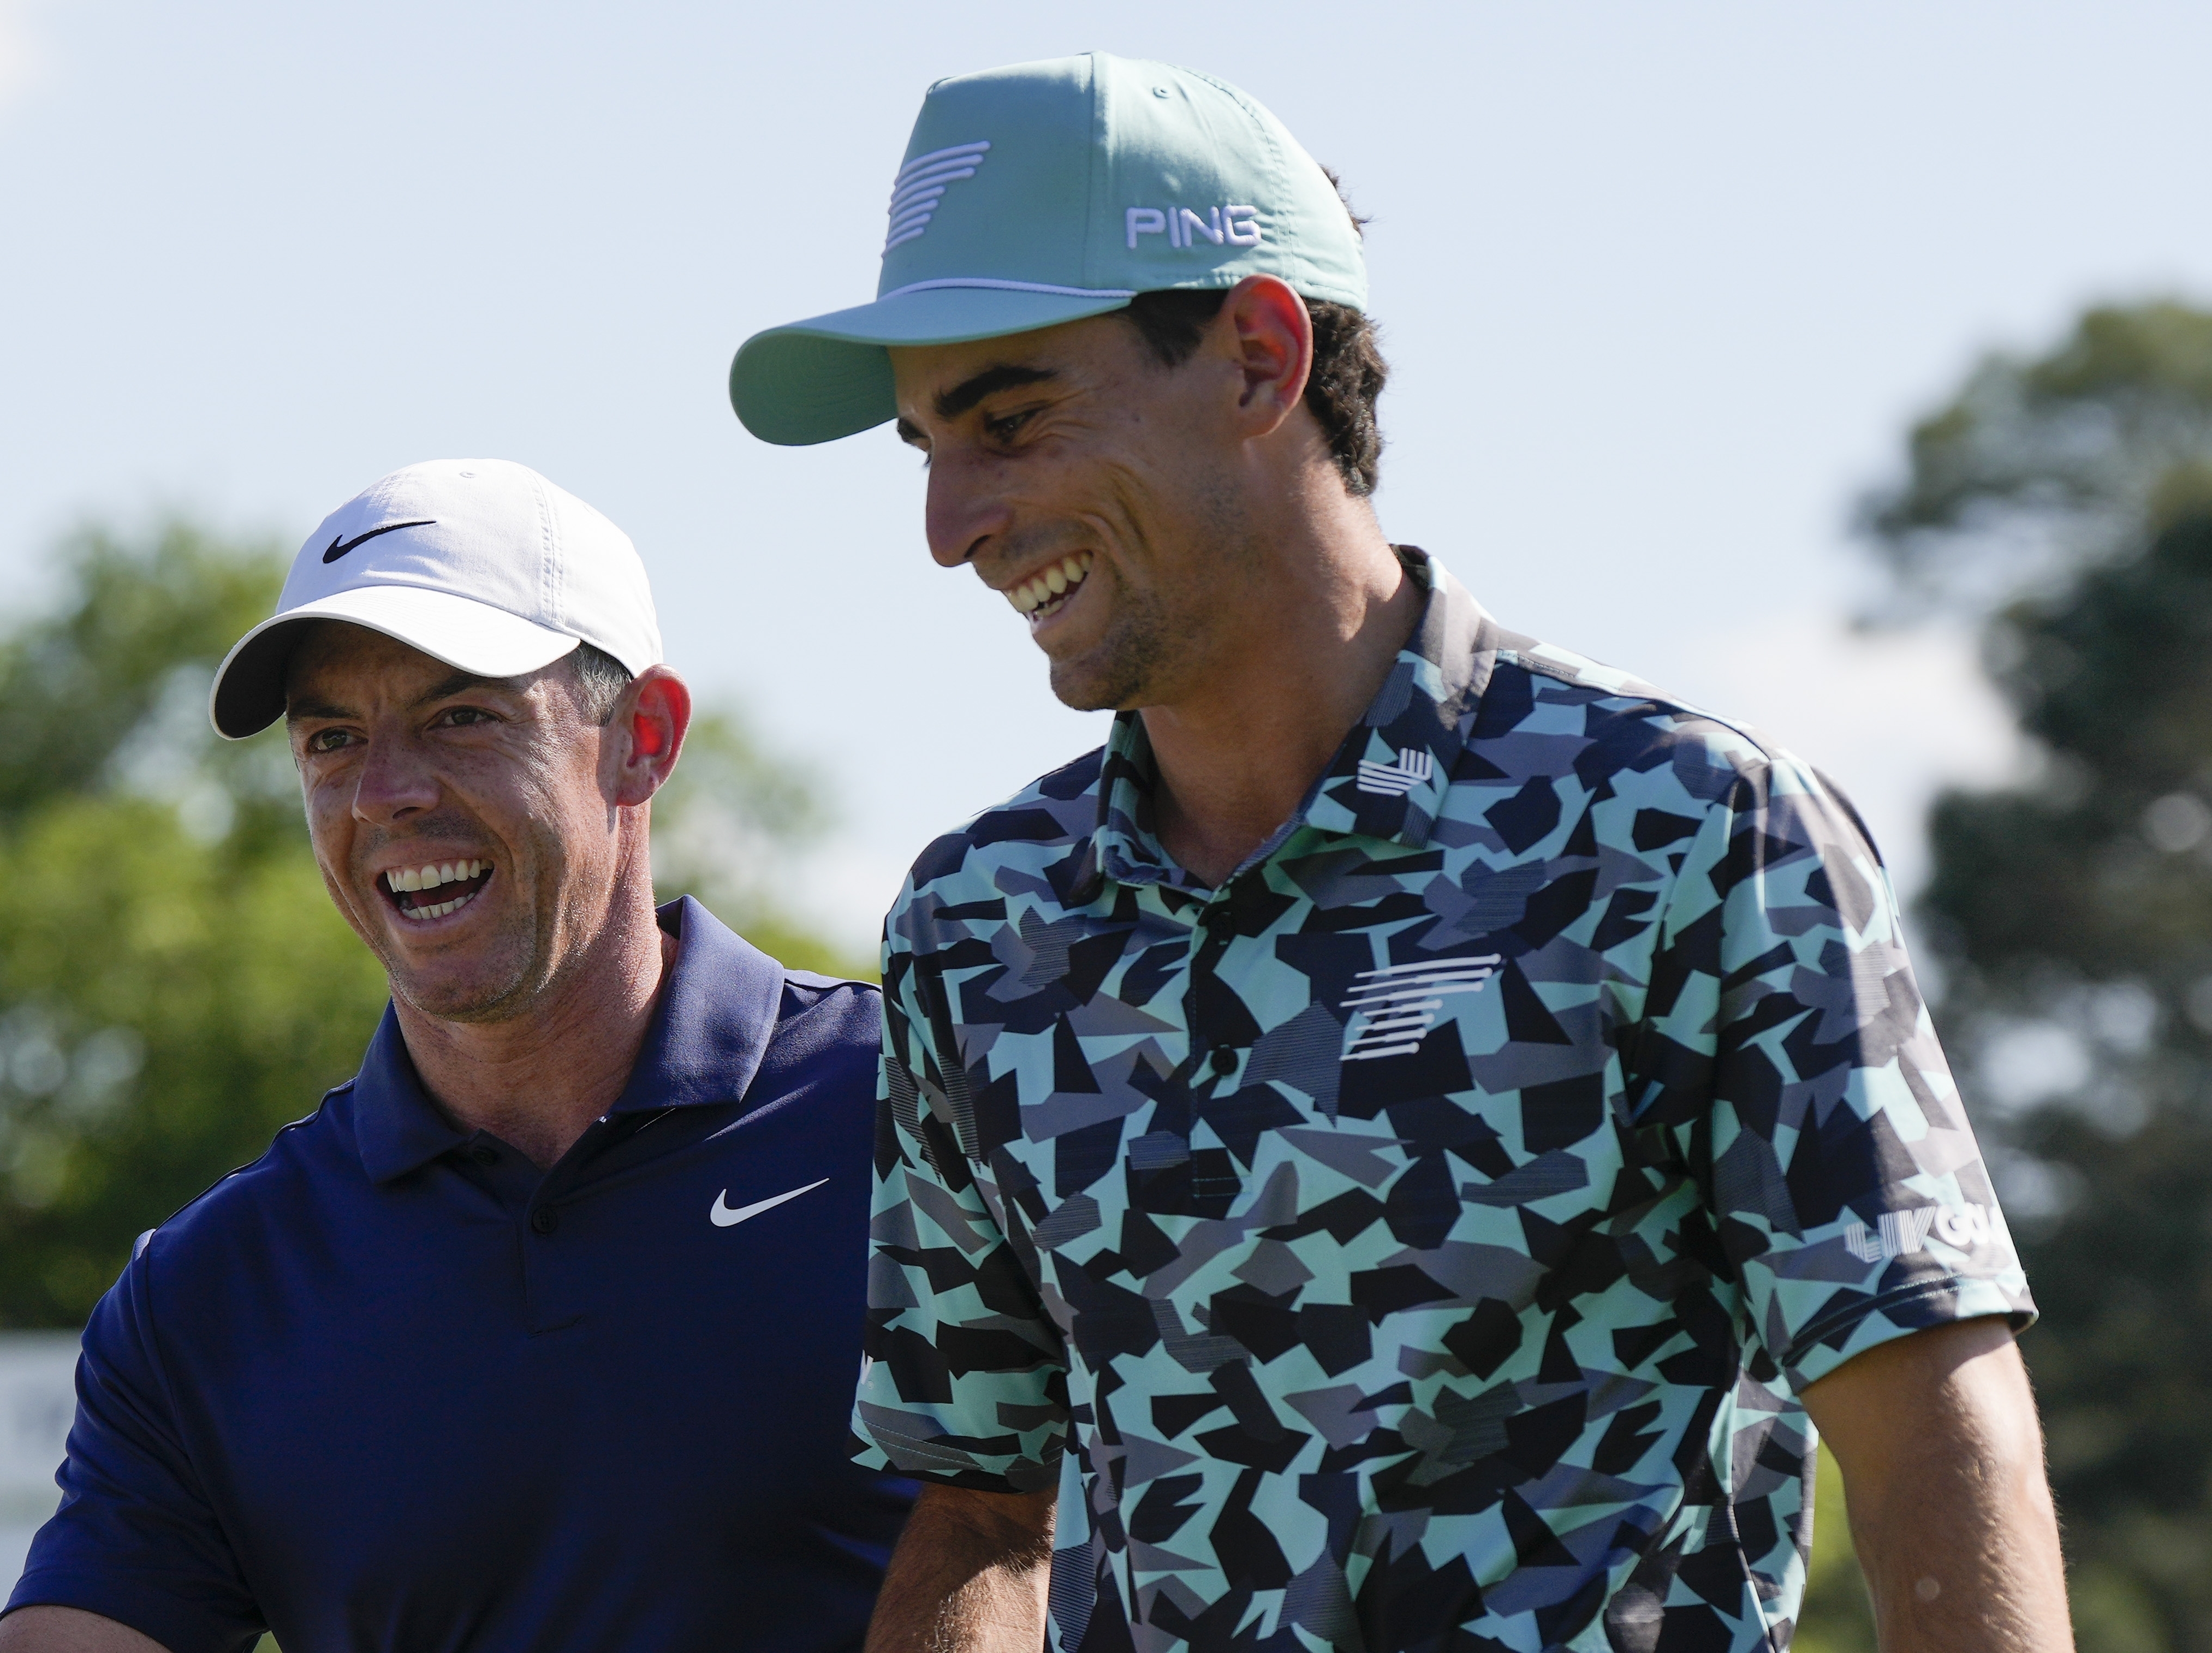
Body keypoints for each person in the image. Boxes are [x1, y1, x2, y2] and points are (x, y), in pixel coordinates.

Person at [728, 53, 2072, 1653]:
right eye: (923, 447)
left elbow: (1926, 1414)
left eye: (1008, 419)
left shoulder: (1685, 833)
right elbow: (978, 1505)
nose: (949, 524)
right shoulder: (979, 921)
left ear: (1254, 357)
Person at [0, 459, 911, 1653]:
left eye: (460, 716)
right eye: (331, 739)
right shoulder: (214, 1293)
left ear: (641, 740)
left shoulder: (925, 1110)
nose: (385, 793)